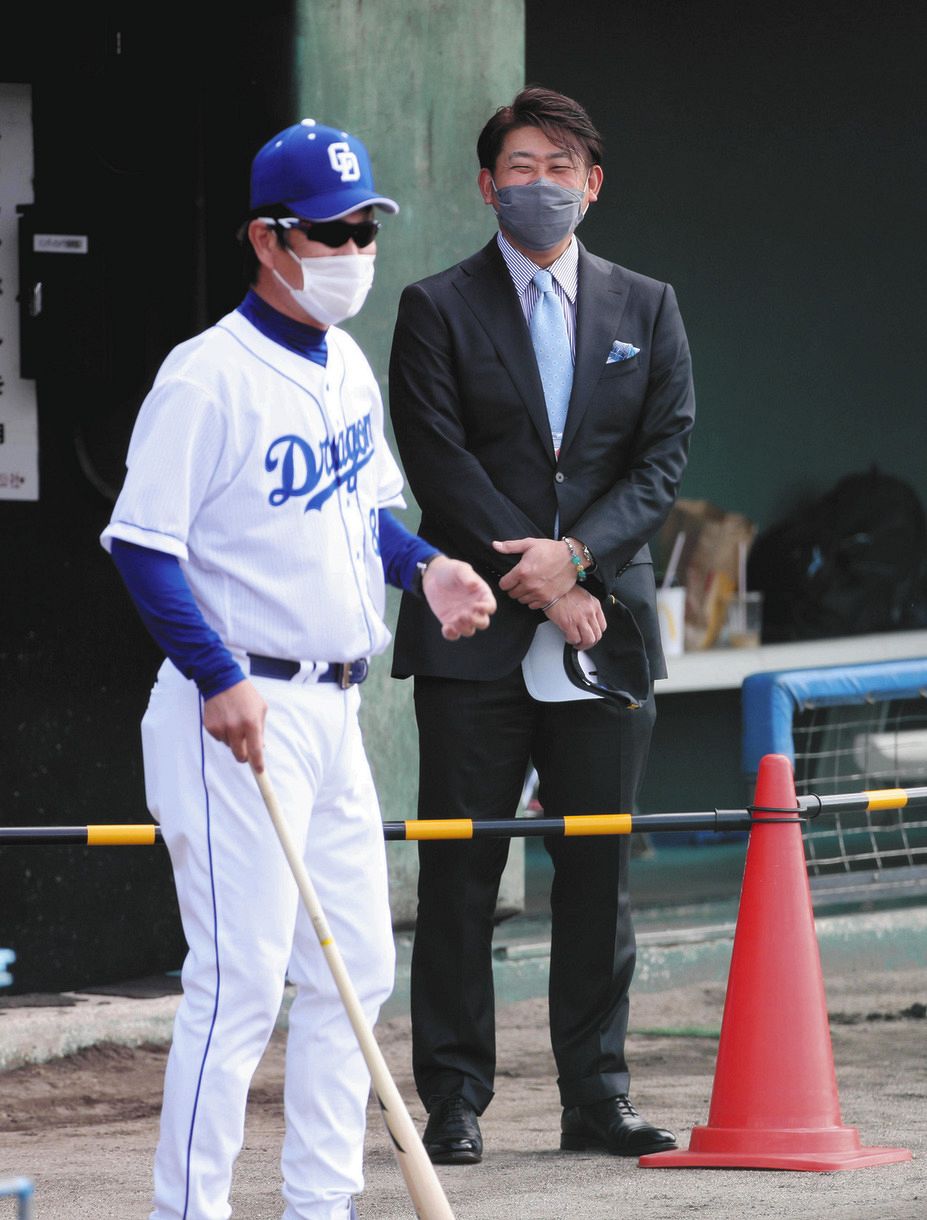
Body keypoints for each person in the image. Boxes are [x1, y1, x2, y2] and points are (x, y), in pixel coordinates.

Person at [100, 117, 495, 1220]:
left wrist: (430, 571)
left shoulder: (348, 364)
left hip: (332, 706)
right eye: (331, 229)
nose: (354, 245)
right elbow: (143, 543)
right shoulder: (206, 376)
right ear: (267, 239)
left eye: (364, 223)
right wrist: (218, 672)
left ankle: (320, 1201)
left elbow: (371, 511)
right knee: (236, 985)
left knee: (354, 970)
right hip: (234, 704)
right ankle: (191, 1210)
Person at [388, 86, 695, 1164]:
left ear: (593, 185)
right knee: (462, 871)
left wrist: (583, 562)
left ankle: (596, 1097)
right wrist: (539, 571)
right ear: (486, 184)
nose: (541, 184)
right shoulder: (436, 306)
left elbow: (663, 456)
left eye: (561, 167)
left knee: (597, 868)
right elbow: (435, 456)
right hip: (476, 629)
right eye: (521, 166)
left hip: (604, 624)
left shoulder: (646, 305)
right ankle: (455, 1099)